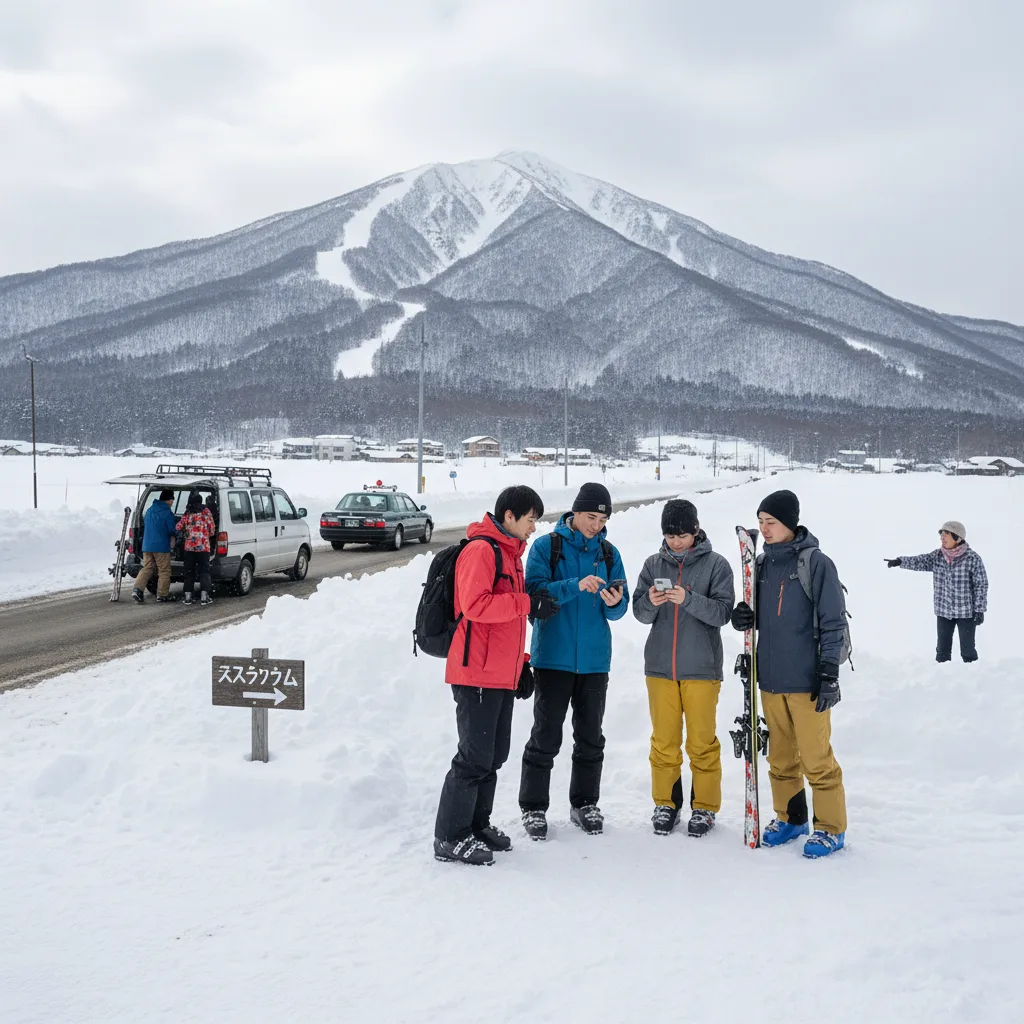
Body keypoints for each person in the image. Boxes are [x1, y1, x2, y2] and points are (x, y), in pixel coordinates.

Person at [434, 485, 559, 866]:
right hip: (475, 674)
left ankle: (475, 825)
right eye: (530, 518)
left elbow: (507, 626)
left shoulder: (510, 554)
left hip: (499, 674)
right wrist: (528, 602)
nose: (533, 527)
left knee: (493, 756)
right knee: (473, 757)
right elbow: (476, 606)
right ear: (509, 516)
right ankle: (450, 837)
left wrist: (520, 663)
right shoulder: (481, 551)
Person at [730, 489, 848, 858]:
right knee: (780, 758)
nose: (764, 529)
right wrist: (743, 617)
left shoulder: (816, 564)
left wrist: (829, 673)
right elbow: (762, 619)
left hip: (808, 681)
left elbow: (833, 622)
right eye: (761, 521)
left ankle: (830, 827)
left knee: (817, 759)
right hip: (771, 679)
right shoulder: (761, 565)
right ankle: (791, 817)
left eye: (772, 522)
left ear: (790, 524)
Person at [518, 482, 628, 840]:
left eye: (602, 518)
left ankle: (584, 803)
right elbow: (533, 595)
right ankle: (533, 807)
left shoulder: (610, 553)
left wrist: (614, 602)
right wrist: (575, 585)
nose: (596, 524)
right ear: (575, 513)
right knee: (546, 736)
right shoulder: (546, 547)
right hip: (553, 657)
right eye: (591, 517)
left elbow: (619, 608)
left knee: (591, 737)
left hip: (595, 661)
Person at [631, 499, 734, 837]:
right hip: (660, 668)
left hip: (702, 669)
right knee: (663, 741)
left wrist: (687, 598)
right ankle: (666, 803)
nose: (675, 542)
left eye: (682, 535)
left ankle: (704, 807)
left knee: (702, 742)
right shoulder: (652, 565)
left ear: (696, 530)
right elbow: (639, 613)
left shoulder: (717, 565)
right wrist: (651, 601)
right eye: (669, 535)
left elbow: (722, 613)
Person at [885, 520, 988, 663]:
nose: (942, 537)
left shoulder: (972, 559)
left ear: (957, 538)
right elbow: (921, 561)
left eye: (946, 534)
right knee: (942, 652)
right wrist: (900, 561)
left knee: (968, 651)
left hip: (966, 613)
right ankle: (942, 681)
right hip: (944, 611)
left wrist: (979, 610)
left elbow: (981, 585)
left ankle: (973, 679)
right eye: (941, 534)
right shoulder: (938, 556)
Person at [133, 489, 178, 603]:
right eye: (172, 499)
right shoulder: (167, 513)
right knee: (164, 571)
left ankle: (137, 590)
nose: (172, 502)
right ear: (168, 500)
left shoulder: (149, 510)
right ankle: (162, 595)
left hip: (147, 546)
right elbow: (172, 529)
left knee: (147, 568)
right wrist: (177, 533)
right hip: (161, 547)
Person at [176, 492, 217, 606]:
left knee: (189, 571)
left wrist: (188, 529)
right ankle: (204, 596)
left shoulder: (187, 512)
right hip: (204, 547)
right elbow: (212, 530)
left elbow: (178, 527)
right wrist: (204, 533)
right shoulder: (206, 512)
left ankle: (188, 596)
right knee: (204, 571)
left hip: (189, 547)